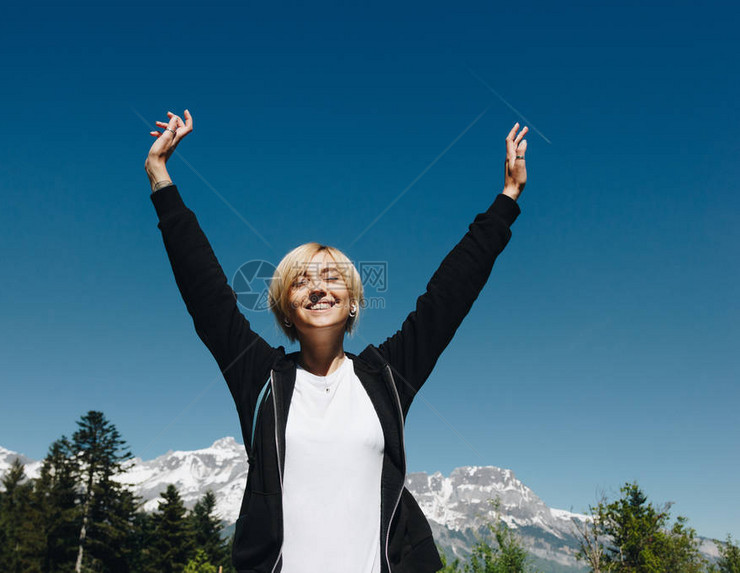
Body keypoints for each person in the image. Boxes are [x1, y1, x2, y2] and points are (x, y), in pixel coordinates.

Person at [144, 109, 528, 573]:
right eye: (302, 280)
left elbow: (450, 294)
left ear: (352, 303)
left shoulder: (386, 376)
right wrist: (160, 179)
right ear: (287, 305)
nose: (319, 287)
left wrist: (507, 198)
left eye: (332, 277)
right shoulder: (262, 379)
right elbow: (205, 293)